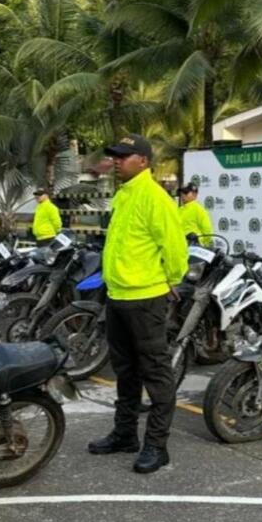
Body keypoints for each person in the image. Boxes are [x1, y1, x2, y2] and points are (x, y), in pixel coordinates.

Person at [87, 133, 188, 474]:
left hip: (145, 299)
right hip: (118, 296)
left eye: (124, 156)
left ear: (143, 161)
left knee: (156, 374)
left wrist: (172, 279)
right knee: (125, 372)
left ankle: (157, 446)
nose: (116, 160)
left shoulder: (154, 198)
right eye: (115, 155)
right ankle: (125, 433)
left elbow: (174, 247)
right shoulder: (124, 195)